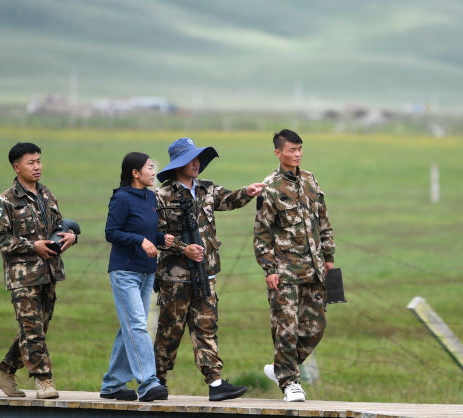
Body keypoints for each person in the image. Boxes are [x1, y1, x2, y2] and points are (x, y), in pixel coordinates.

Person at [152, 137, 264, 401]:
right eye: (191, 159)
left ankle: (215, 384)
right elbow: (155, 234)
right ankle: (156, 382)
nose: (197, 163)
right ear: (178, 164)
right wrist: (183, 248)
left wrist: (247, 192)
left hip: (206, 274)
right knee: (171, 329)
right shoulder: (162, 195)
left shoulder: (207, 189)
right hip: (175, 277)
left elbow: (229, 200)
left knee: (206, 327)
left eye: (198, 158)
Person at [0, 142, 77, 400]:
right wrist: (32, 246)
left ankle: (5, 372)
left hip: (49, 274)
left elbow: (59, 226)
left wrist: (70, 237)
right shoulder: (5, 200)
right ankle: (44, 381)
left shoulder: (48, 196)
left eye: (39, 161)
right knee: (33, 331)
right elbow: (0, 239)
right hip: (23, 278)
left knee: (34, 330)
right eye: (31, 162)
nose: (37, 166)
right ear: (17, 167)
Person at [254, 129, 335, 402]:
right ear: (278, 153)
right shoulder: (271, 187)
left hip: (315, 268)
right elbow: (262, 231)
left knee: (315, 327)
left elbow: (323, 220)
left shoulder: (310, 180)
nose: (297, 154)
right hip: (285, 271)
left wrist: (329, 258)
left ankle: (280, 368)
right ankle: (290, 382)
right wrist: (269, 269)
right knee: (286, 327)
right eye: (291, 149)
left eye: (300, 149)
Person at [99, 152, 176, 402]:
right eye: (149, 167)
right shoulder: (121, 198)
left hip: (146, 272)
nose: (153, 172)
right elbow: (112, 233)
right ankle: (148, 383)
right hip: (125, 272)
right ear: (135, 173)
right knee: (137, 326)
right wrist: (140, 240)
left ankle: (112, 385)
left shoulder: (150, 197)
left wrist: (160, 239)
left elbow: (146, 232)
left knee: (129, 328)